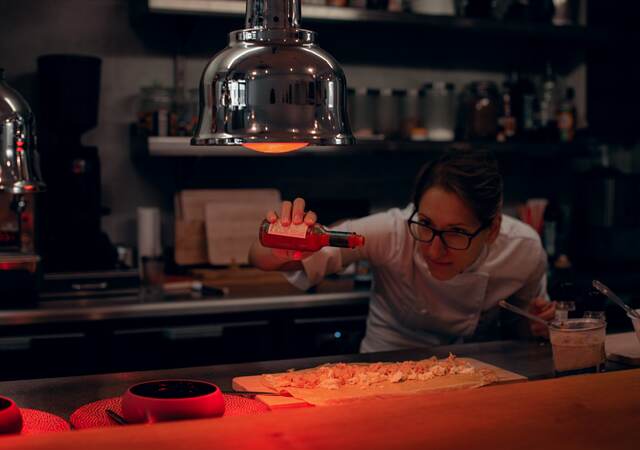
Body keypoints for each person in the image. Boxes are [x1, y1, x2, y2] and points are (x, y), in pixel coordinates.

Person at [249, 149, 556, 352]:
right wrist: (281, 241)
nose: (435, 249)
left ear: (492, 229)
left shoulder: (524, 251)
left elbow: (522, 328)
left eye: (457, 233)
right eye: (425, 224)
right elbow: (260, 259)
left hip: (475, 374)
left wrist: (535, 326)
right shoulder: (392, 231)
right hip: (382, 367)